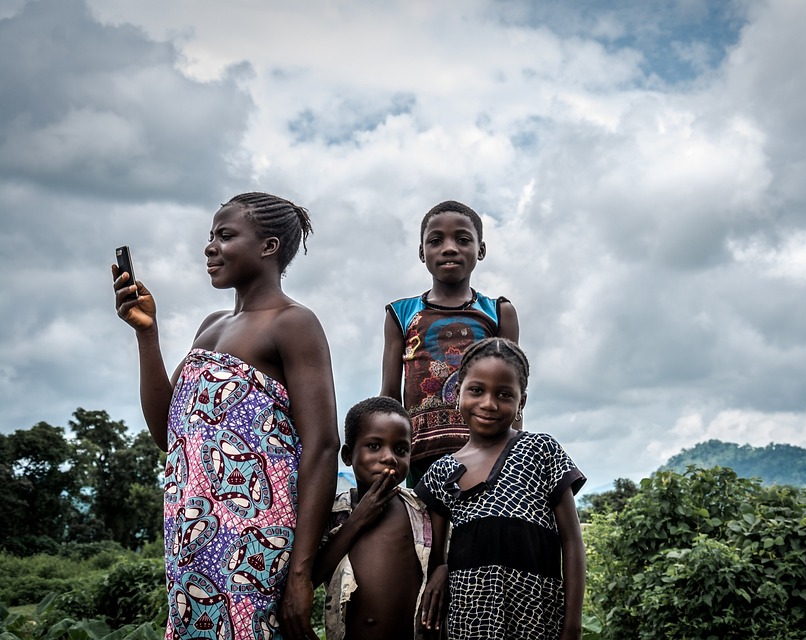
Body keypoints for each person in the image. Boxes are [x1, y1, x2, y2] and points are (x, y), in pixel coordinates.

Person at [113, 192, 339, 640]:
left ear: (268, 247)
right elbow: (166, 430)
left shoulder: (293, 323)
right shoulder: (211, 325)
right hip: (189, 532)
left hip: (252, 539)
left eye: (225, 235)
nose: (210, 246)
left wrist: (300, 572)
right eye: (210, 236)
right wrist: (147, 335)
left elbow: (323, 446)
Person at [415, 338, 586, 640]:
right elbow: (436, 559)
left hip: (537, 620)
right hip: (468, 623)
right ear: (458, 393)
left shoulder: (541, 451)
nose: (489, 404)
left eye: (504, 394)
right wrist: (442, 570)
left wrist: (571, 627)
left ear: (522, 402)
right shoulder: (441, 473)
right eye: (477, 390)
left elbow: (572, 542)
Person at [380, 200, 520, 486]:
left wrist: (513, 456)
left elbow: (513, 391)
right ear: (422, 253)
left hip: (486, 451)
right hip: (420, 455)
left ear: (481, 250)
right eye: (435, 240)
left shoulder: (498, 311)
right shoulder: (401, 314)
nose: (449, 248)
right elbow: (390, 396)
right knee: (425, 529)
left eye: (463, 239)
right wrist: (391, 455)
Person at [312, 396, 444, 640]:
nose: (389, 458)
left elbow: (440, 563)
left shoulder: (421, 510)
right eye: (374, 446)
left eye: (401, 449)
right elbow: (311, 576)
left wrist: (445, 570)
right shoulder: (334, 513)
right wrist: (357, 521)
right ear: (348, 455)